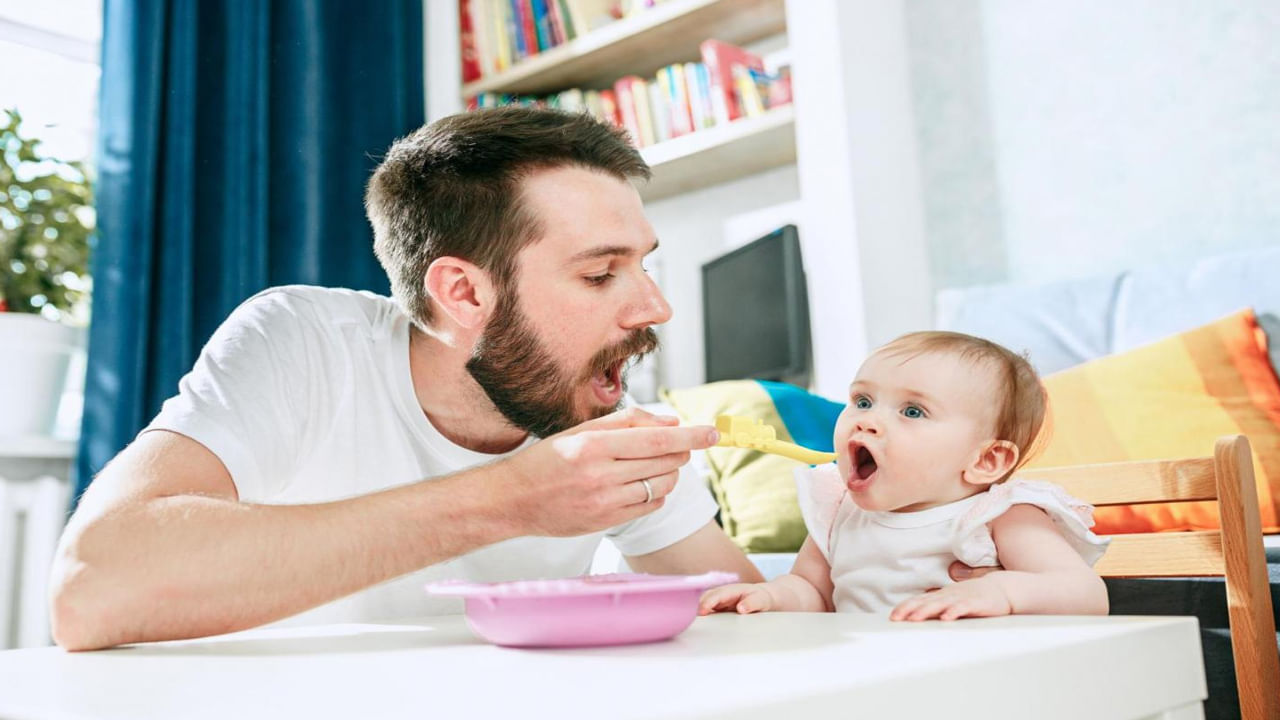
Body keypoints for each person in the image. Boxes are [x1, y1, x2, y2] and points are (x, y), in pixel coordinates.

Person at [50, 106, 763, 651]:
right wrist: (511, 500)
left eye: (644, 265)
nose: (656, 308)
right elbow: (90, 588)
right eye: (601, 273)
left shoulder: (589, 410)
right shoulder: (305, 342)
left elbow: (745, 613)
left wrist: (845, 560)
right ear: (463, 293)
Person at [699, 331, 1109, 620]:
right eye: (863, 400)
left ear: (986, 461)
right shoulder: (838, 509)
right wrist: (768, 596)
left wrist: (1001, 592)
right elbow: (812, 592)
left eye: (913, 411)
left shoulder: (999, 514)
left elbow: (1084, 593)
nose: (868, 421)